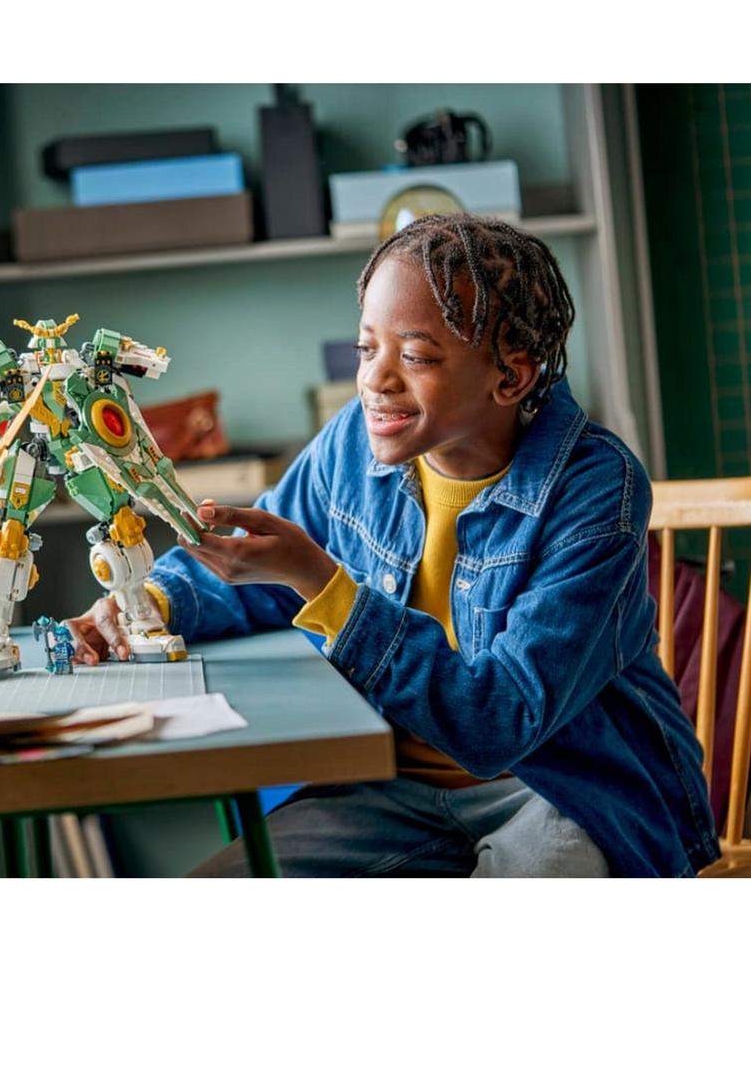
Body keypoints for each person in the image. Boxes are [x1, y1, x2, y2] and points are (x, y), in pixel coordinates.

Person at [64, 214, 719, 878]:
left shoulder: (596, 487)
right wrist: (148, 604)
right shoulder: (352, 441)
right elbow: (255, 562)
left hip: (560, 791)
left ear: (511, 377)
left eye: (417, 357)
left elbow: (501, 722)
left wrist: (324, 585)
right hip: (394, 784)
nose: (377, 379)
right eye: (366, 348)